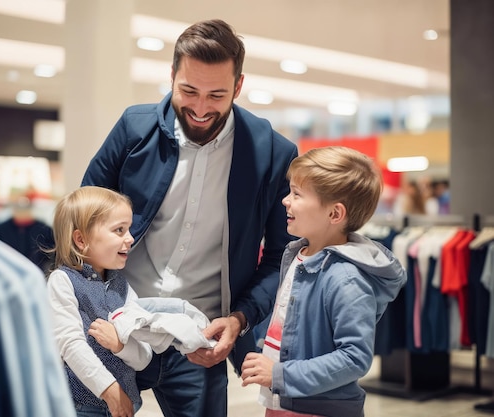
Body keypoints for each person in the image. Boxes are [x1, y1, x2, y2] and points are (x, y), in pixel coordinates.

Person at [81, 19, 298, 417]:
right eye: (188, 91)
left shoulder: (271, 153)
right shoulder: (134, 128)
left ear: (238, 86)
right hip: (117, 323)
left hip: (198, 339)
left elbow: (281, 257)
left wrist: (240, 318)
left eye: (216, 94)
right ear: (171, 76)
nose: (200, 109)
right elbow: (84, 218)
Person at [240, 146, 407, 417]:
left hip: (317, 408)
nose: (285, 200)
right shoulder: (298, 255)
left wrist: (281, 374)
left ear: (334, 214)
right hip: (284, 401)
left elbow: (354, 358)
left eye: (297, 194)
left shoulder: (345, 279)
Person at [46, 186, 153, 417]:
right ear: (81, 239)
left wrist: (120, 345)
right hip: (79, 407)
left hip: (127, 406)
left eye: (129, 229)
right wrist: (110, 391)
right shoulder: (63, 281)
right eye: (119, 230)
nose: (131, 238)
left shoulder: (124, 288)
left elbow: (144, 356)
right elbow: (70, 344)